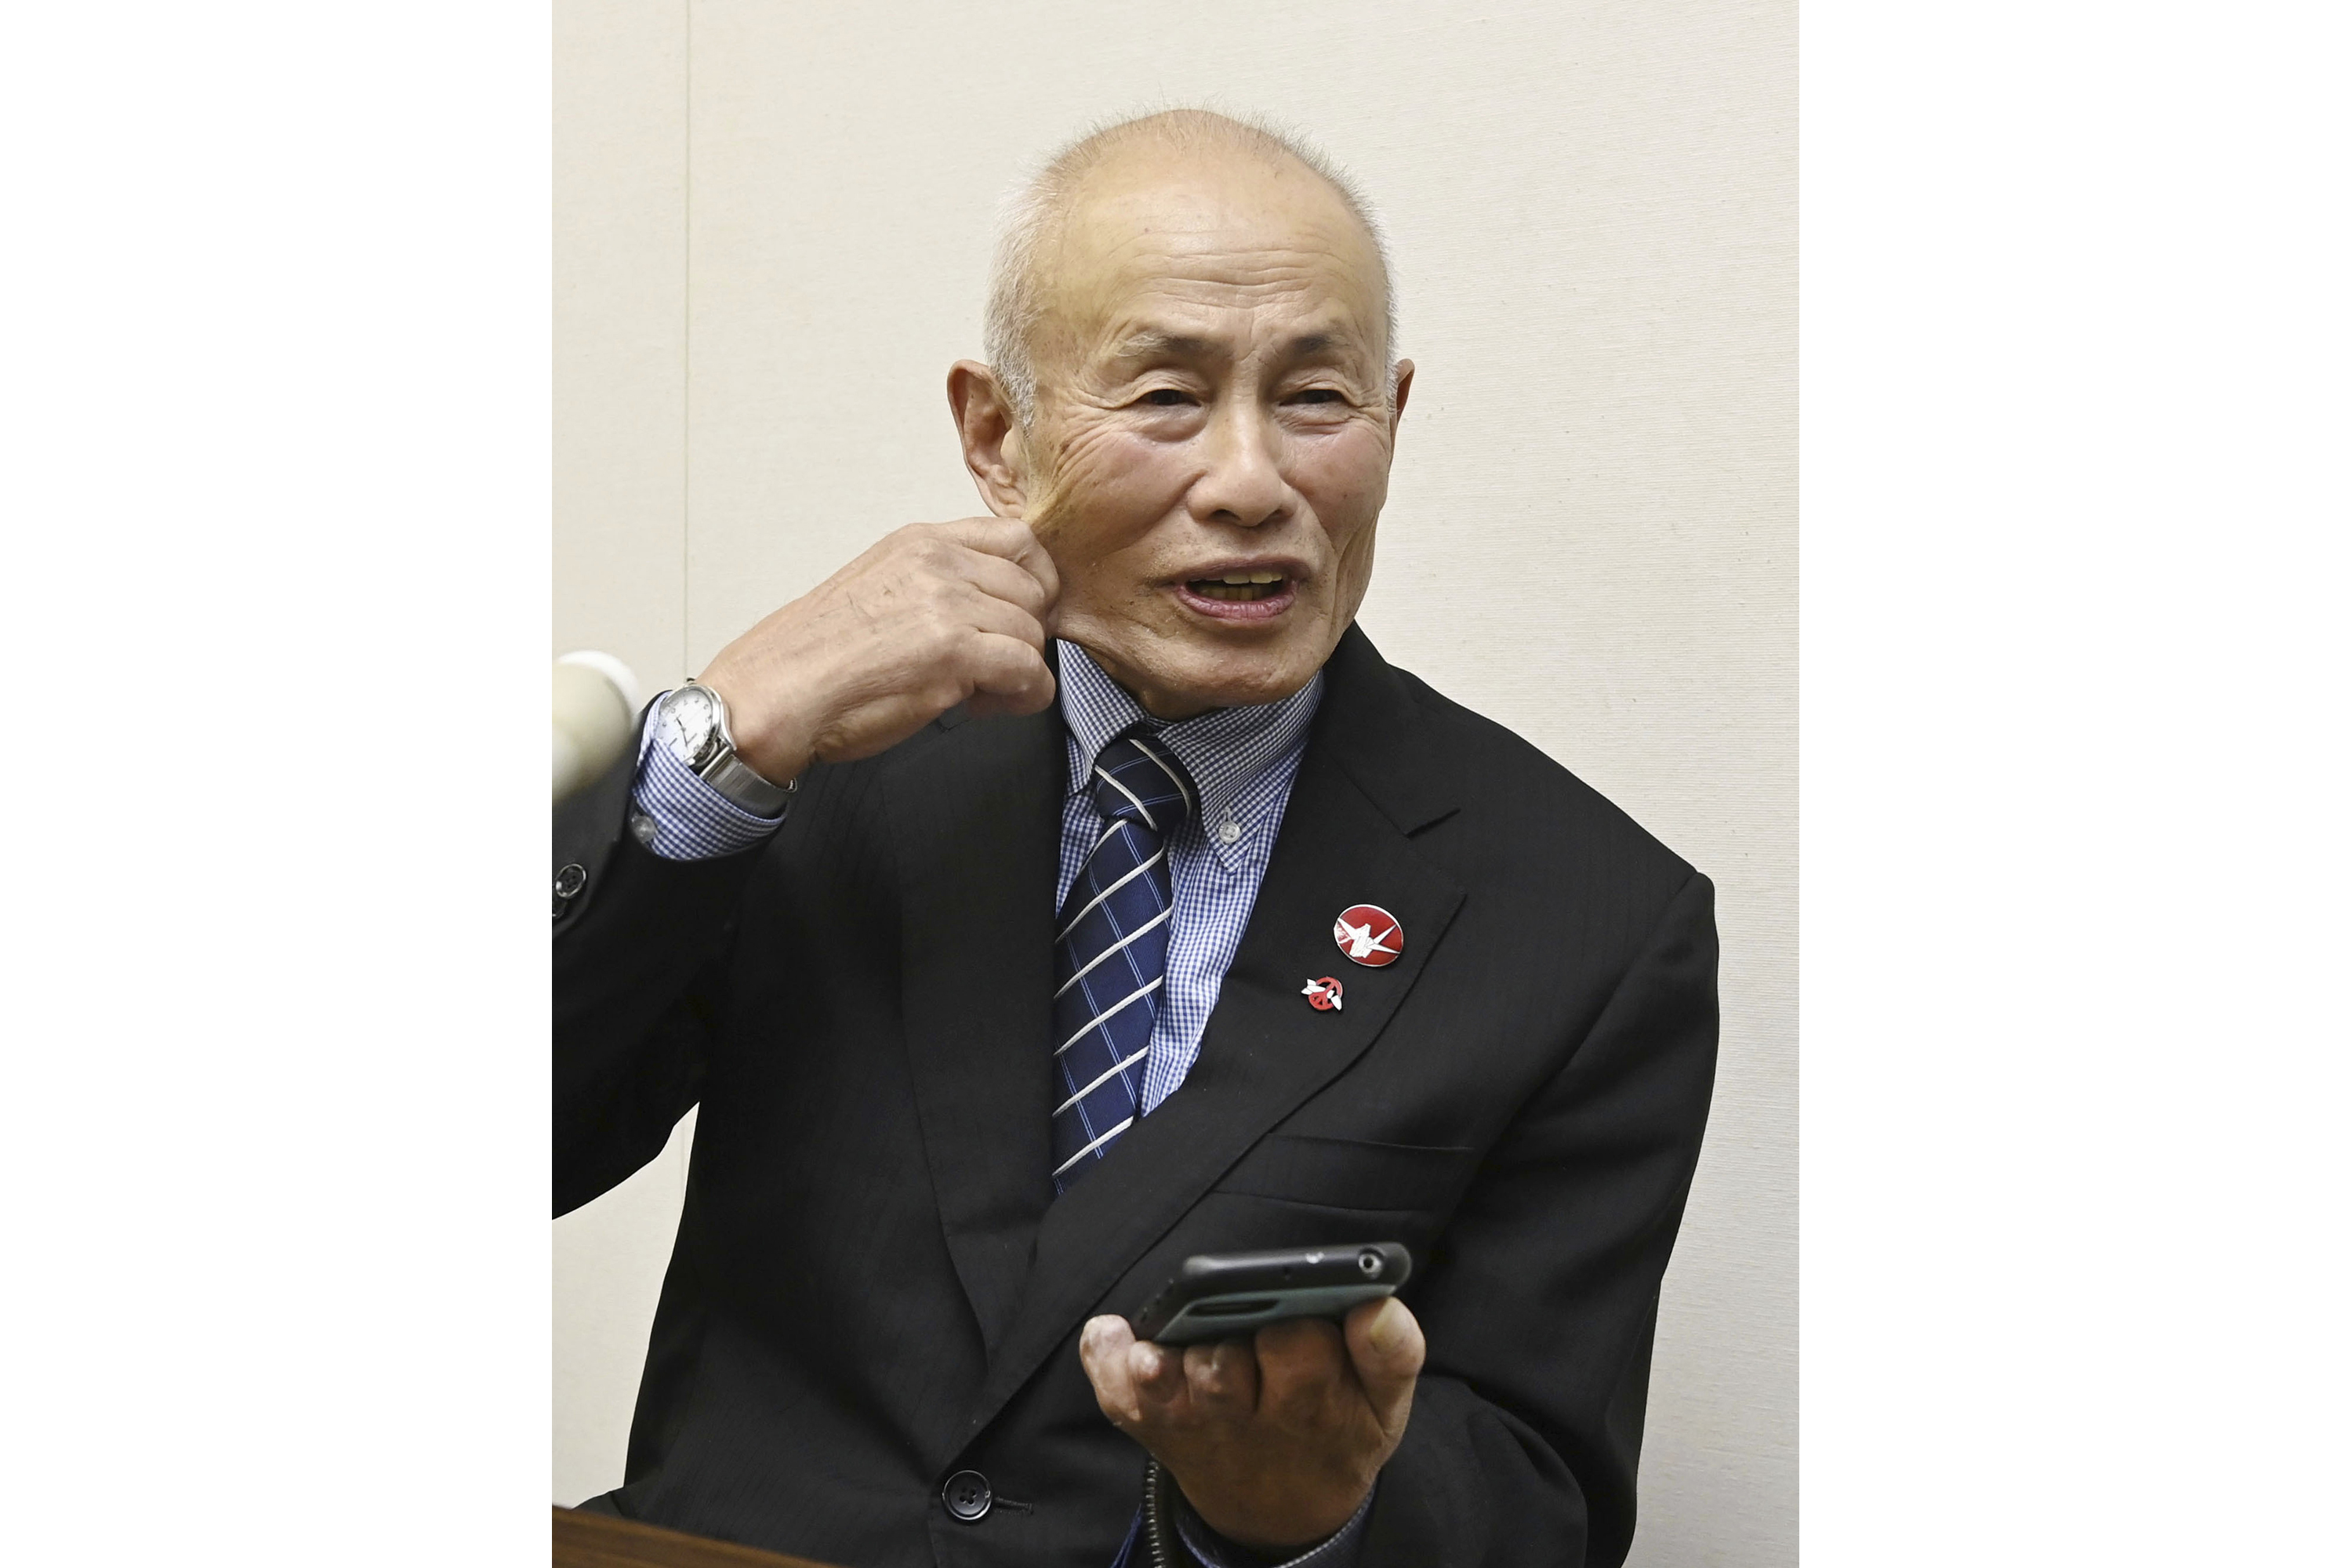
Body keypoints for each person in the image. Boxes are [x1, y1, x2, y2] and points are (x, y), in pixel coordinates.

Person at [554, 109, 1717, 1568]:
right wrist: (714, 753)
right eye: (1167, 395)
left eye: (1316, 399)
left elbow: (1540, 1498)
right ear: (997, 434)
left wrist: (1308, 1513)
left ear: (1394, 416)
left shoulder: (1588, 917)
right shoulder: (831, 764)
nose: (1249, 481)